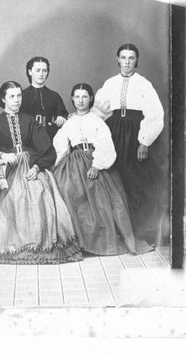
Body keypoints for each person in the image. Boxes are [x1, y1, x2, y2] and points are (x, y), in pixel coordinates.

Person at [0, 81, 83, 264]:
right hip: (9, 171)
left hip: (32, 166)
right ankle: (14, 245)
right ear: (3, 99)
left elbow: (47, 151)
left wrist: (37, 167)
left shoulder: (30, 121)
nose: (16, 100)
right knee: (11, 198)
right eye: (12, 96)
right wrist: (1, 154)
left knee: (40, 193)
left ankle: (38, 244)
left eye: (19, 96)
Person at [52, 83, 152, 256]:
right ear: (72, 99)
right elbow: (61, 145)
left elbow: (105, 143)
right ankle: (82, 243)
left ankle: (102, 242)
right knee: (69, 191)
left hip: (96, 159)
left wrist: (96, 165)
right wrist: (58, 165)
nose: (80, 100)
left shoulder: (96, 120)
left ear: (90, 98)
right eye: (77, 97)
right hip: (75, 162)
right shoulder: (69, 122)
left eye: (84, 96)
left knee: (101, 198)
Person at [92, 43, 165, 245]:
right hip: (114, 133)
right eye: (123, 58)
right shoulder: (109, 83)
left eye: (131, 58)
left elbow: (155, 115)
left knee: (136, 182)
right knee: (115, 180)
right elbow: (99, 112)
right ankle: (118, 232)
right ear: (117, 59)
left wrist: (145, 141)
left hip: (135, 134)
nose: (127, 62)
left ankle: (138, 232)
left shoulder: (144, 84)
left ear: (136, 61)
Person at [20, 56, 68, 140]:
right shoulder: (21, 95)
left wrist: (61, 117)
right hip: (26, 138)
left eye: (44, 71)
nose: (41, 74)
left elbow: (62, 114)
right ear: (30, 71)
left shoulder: (54, 96)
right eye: (38, 70)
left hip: (48, 137)